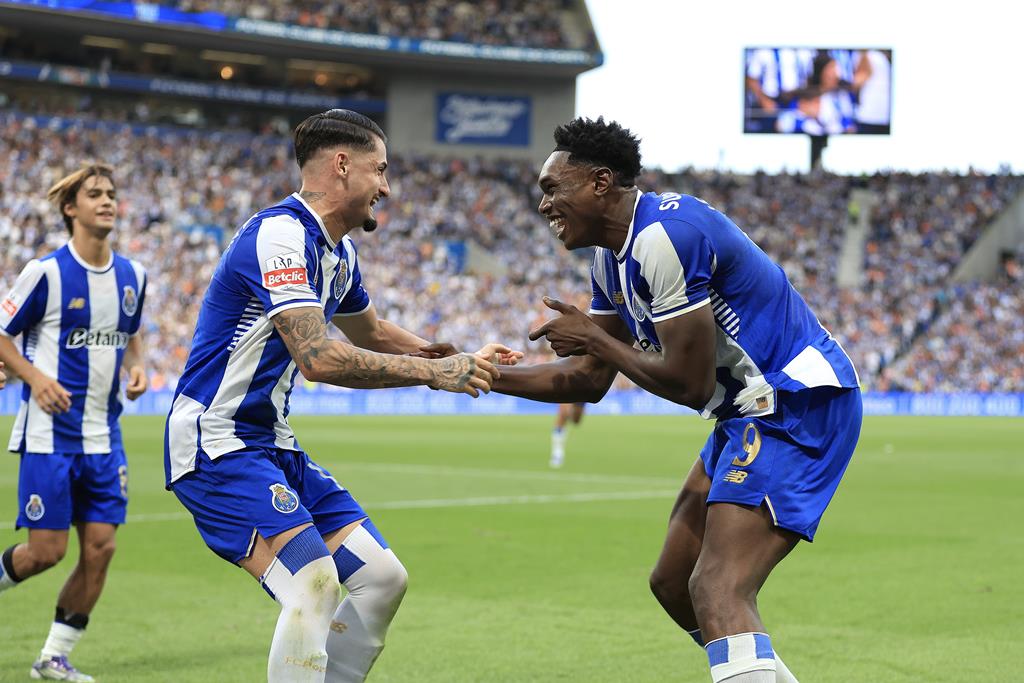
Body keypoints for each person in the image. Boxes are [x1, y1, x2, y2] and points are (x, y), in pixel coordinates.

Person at [493, 117, 862, 683]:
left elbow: (688, 384)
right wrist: (471, 374)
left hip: (795, 401)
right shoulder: (609, 257)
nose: (543, 205)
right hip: (746, 413)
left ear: (599, 183)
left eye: (551, 189)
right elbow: (588, 379)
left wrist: (595, 337)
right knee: (674, 582)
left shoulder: (665, 236)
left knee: (718, 587)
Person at [164, 109, 515, 683]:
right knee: (313, 583)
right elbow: (319, 357)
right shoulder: (280, 235)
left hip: (271, 445)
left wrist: (459, 359)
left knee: (382, 580)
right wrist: (433, 375)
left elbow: (372, 334)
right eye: (381, 170)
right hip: (216, 443)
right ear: (343, 165)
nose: (386, 187)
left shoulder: (340, 253)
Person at [0, 163, 148, 683]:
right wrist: (35, 377)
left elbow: (132, 330)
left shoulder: (134, 276)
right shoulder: (45, 273)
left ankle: (52, 658)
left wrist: (136, 366)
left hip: (105, 437)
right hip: (50, 436)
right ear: (71, 208)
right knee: (46, 553)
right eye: (94, 194)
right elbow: (2, 334)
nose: (107, 201)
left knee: (101, 549)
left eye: (111, 193)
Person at [550, 402, 584, 468]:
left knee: (576, 420)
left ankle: (571, 410)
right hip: (566, 396)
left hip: (581, 396)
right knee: (563, 413)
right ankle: (557, 452)